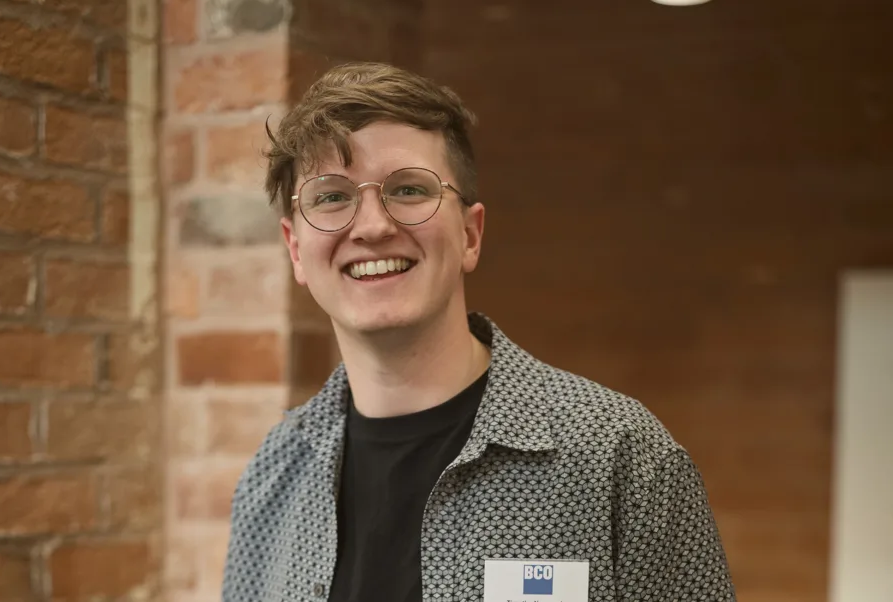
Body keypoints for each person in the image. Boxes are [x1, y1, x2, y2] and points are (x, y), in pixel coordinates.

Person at [221, 62, 736, 602]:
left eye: (409, 189)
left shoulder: (619, 458)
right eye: (331, 197)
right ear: (295, 249)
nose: (372, 226)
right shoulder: (273, 477)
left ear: (470, 234)